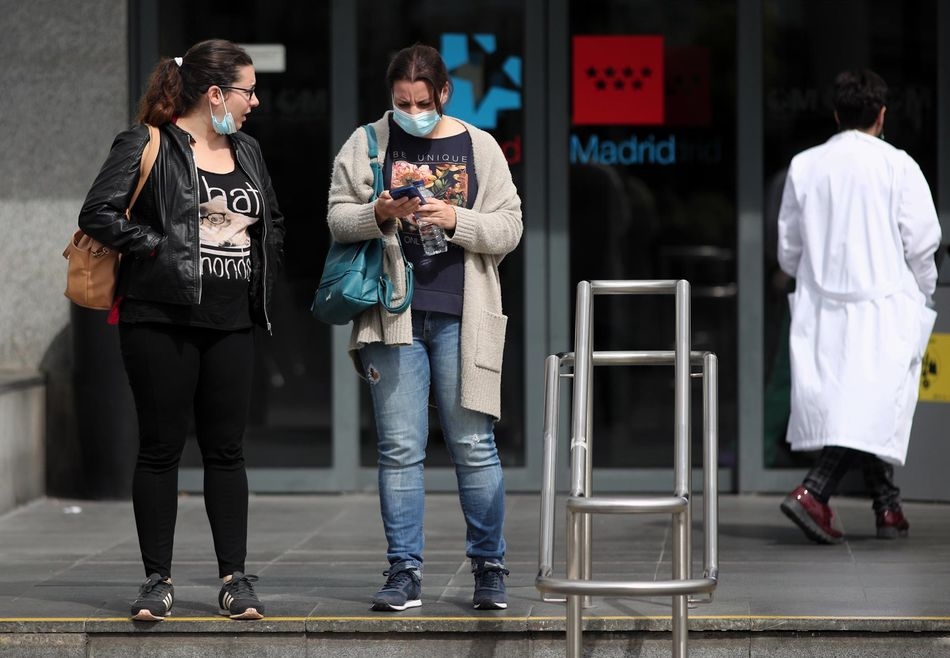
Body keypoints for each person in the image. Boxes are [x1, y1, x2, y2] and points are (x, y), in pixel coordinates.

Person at [78, 39, 285, 620]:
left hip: (232, 320)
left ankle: (235, 580)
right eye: (246, 90)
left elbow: (271, 220)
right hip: (159, 316)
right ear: (215, 93)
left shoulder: (247, 150)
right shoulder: (147, 143)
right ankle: (156, 580)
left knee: (227, 451)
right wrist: (159, 246)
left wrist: (264, 269)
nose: (254, 101)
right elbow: (97, 211)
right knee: (160, 448)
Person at [326, 44, 522, 611]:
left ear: (443, 94)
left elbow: (509, 227)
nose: (412, 110)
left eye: (421, 100)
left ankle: (489, 566)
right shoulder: (369, 142)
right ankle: (404, 572)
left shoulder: (477, 145)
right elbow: (338, 217)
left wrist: (454, 218)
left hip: (465, 312)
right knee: (400, 448)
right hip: (392, 314)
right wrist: (379, 213)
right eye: (401, 101)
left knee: (472, 444)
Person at [777, 69, 940, 544]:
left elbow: (789, 248)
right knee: (869, 408)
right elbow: (923, 242)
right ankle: (814, 491)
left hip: (823, 305)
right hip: (884, 305)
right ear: (881, 115)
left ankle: (887, 507)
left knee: (860, 408)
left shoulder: (805, 165)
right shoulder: (898, 165)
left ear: (836, 114)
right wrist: (924, 290)